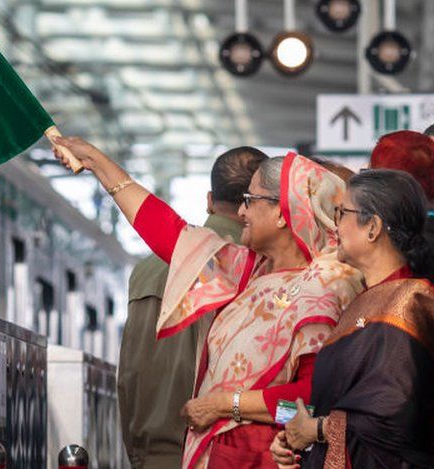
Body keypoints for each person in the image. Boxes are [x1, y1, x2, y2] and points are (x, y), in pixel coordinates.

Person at [52, 138, 363, 469]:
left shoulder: (327, 285)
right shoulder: (249, 271)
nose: (241, 211)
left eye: (250, 200)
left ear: (282, 212)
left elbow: (313, 402)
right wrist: (98, 163)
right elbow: (167, 231)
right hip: (224, 456)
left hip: (266, 459)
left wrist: (224, 406)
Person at [269, 170, 434, 468]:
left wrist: (317, 430)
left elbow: (395, 416)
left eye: (342, 213)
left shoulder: (408, 303)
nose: (335, 225)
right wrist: (295, 432)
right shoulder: (368, 299)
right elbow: (340, 399)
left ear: (372, 227)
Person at [120, 146, 268, 469]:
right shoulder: (258, 271)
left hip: (151, 454)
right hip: (217, 453)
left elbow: (128, 375)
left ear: (209, 200)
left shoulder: (145, 270)